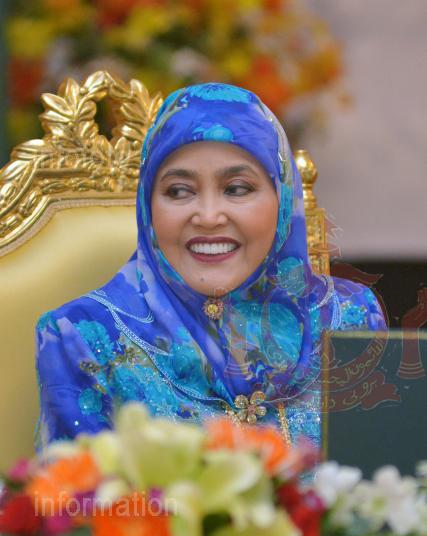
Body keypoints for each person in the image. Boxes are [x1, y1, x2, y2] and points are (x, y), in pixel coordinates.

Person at [35, 82, 386, 451]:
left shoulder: (348, 317)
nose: (208, 216)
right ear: (148, 208)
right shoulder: (82, 339)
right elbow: (77, 487)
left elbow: (385, 473)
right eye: (179, 191)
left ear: (283, 201)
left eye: (237, 189)